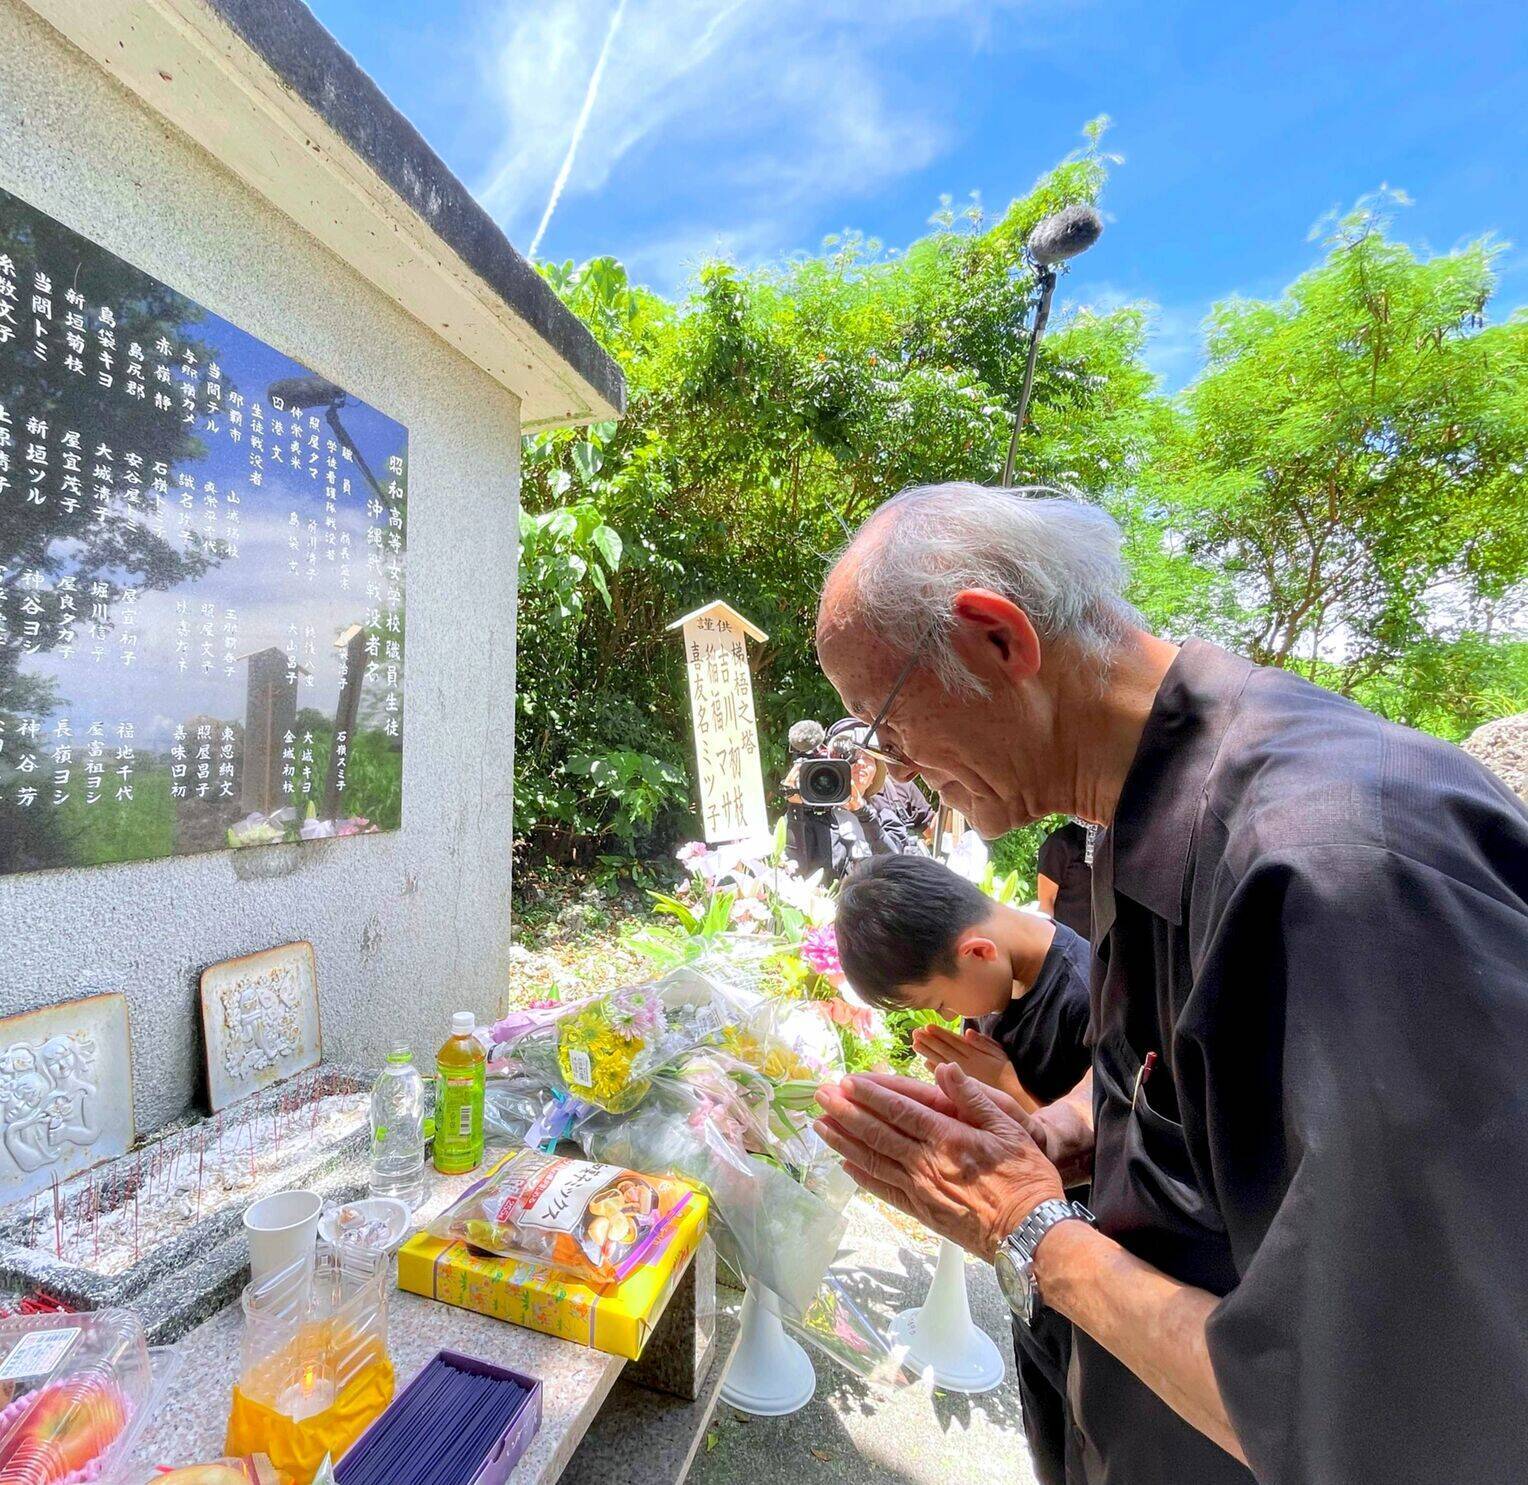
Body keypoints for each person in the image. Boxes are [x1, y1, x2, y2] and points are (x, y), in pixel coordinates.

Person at [810, 482, 1528, 1483]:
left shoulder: (1340, 864)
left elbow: (1389, 1415)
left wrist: (1028, 1232)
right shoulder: (1136, 816)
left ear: (995, 640)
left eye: (878, 724)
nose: (889, 766)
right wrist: (1054, 1137)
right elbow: (1176, 1088)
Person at [835, 853, 1090, 1484]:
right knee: (1049, 1440)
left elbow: (1103, 1150)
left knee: (1087, 1443)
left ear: (975, 952)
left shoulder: (1089, 994)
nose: (951, 1019)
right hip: (1027, 1278)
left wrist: (1002, 1083)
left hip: (1085, 1267)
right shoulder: (999, 980)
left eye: (940, 1002)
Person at [1036, 818, 1094, 939]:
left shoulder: (1115, 840)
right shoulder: (1059, 842)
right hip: (1071, 945)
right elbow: (1046, 901)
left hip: (1107, 946)